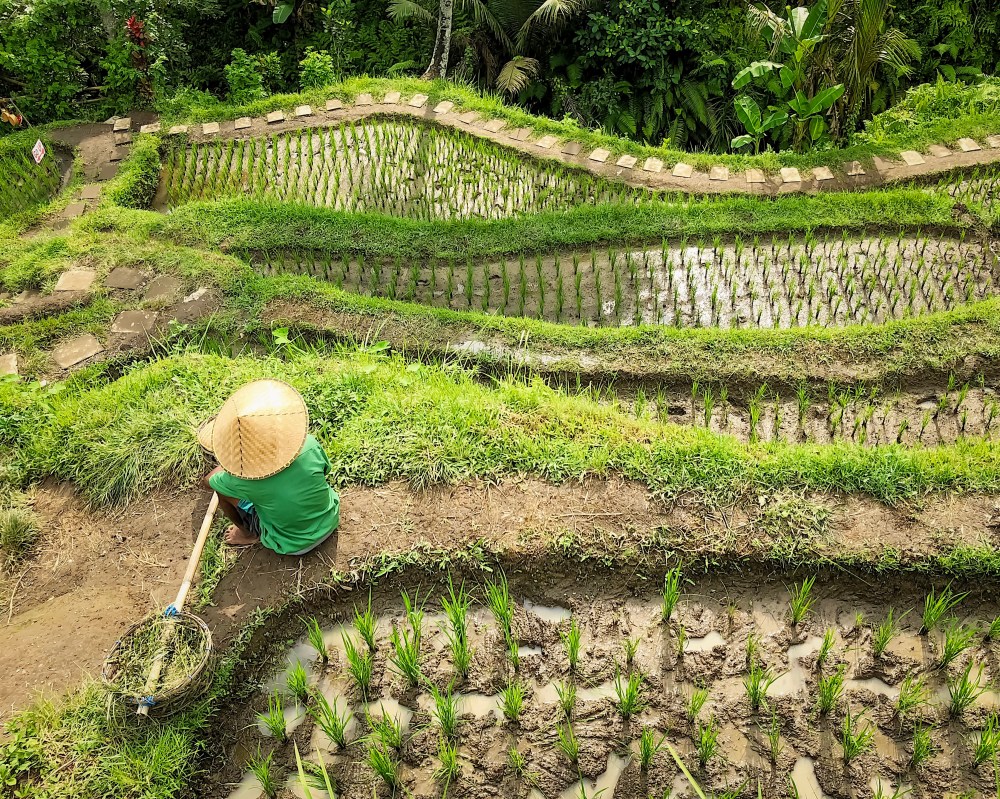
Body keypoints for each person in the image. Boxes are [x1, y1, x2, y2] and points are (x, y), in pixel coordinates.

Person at [198, 379, 340, 555]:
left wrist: (230, 462)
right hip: (330, 519)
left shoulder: (242, 479)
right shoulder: (309, 444)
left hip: (292, 544)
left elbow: (208, 481)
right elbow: (325, 471)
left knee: (222, 492)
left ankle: (246, 533)